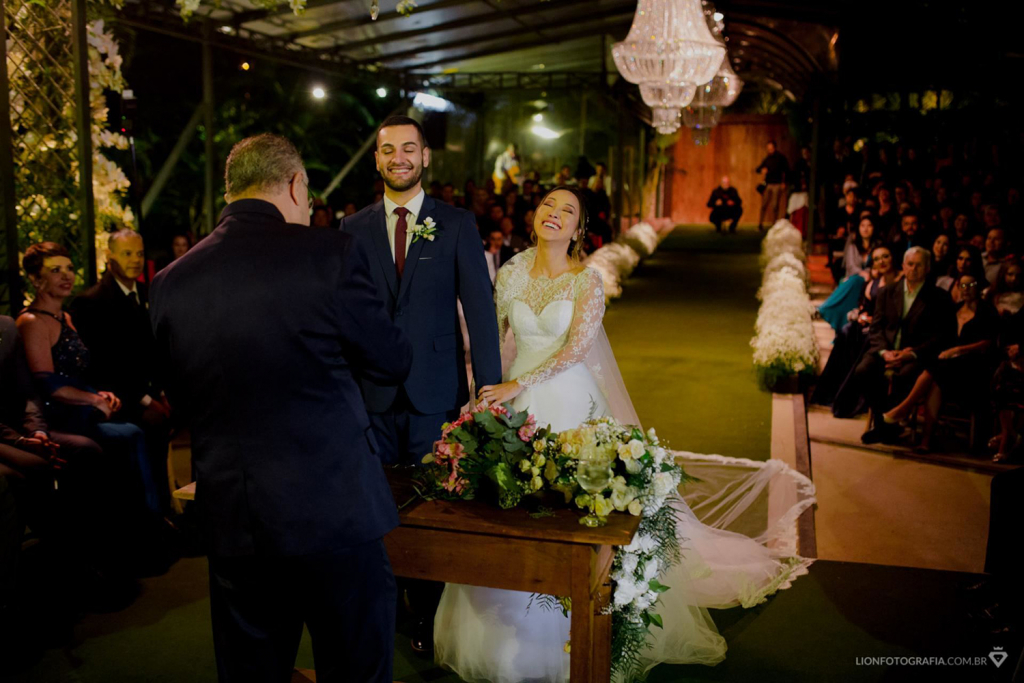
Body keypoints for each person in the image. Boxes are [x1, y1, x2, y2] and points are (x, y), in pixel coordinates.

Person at [436, 187, 810, 682]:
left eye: (567, 211)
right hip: (512, 400)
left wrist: (518, 383)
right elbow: (499, 338)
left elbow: (575, 350)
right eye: (549, 205)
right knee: (507, 504)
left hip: (566, 399)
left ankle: (568, 629)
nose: (554, 214)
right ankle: (500, 632)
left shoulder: (586, 281)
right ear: (535, 216)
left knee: (571, 510)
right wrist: (483, 397)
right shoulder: (508, 272)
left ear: (578, 230)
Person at [150, 133, 412, 683]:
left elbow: (179, 393)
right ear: (295, 185)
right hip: (333, 509)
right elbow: (391, 360)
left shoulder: (171, 282)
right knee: (356, 668)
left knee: (252, 672)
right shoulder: (329, 252)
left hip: (236, 518)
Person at [339, 116, 502, 653]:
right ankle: (386, 603)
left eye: (409, 148)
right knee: (376, 508)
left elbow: (479, 310)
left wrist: (489, 391)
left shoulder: (455, 223)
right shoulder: (352, 229)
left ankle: (430, 617)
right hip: (372, 396)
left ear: (426, 157)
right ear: (377, 160)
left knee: (436, 507)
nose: (399, 158)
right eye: (389, 150)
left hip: (437, 392)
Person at [16, 242, 162, 517]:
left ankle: (147, 522)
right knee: (129, 435)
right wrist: (93, 399)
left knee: (137, 429)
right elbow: (47, 383)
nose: (66, 275)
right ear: (36, 279)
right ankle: (138, 523)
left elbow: (80, 372)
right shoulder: (33, 321)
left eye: (69, 268)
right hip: (54, 415)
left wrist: (101, 394)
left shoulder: (66, 317)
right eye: (55, 270)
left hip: (79, 408)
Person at [69, 229, 172, 514]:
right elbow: (102, 365)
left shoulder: (146, 293)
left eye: (139, 253)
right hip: (116, 398)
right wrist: (146, 400)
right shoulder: (91, 302)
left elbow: (153, 352)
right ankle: (148, 518)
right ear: (109, 257)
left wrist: (161, 392)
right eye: (127, 253)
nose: (135, 260)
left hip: (145, 391)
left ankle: (164, 515)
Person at [882, 273, 999, 451]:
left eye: (971, 285)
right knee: (935, 380)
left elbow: (989, 342)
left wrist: (959, 349)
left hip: (975, 365)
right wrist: (912, 349)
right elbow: (941, 337)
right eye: (962, 286)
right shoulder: (954, 309)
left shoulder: (987, 310)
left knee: (935, 369)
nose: (966, 290)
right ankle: (926, 441)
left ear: (978, 287)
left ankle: (905, 407)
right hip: (949, 366)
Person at [856, 247, 956, 445]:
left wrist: (912, 354)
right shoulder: (887, 292)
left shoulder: (938, 297)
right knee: (863, 371)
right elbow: (876, 329)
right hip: (885, 350)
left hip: (915, 353)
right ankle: (883, 423)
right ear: (903, 266)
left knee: (904, 376)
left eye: (919, 265)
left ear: (927, 268)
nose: (914, 269)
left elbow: (942, 336)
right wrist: (884, 353)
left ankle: (888, 425)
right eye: (910, 264)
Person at [818, 214, 878, 333]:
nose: (865, 229)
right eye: (862, 226)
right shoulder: (853, 246)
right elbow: (851, 266)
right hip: (855, 277)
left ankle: (826, 308)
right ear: (859, 228)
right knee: (855, 281)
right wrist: (863, 273)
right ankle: (827, 309)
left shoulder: (878, 246)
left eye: (869, 226)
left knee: (858, 282)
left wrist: (869, 274)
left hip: (873, 279)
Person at [755, 140, 789, 230]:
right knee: (764, 205)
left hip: (777, 184)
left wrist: (784, 182)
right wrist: (762, 170)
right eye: (768, 148)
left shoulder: (781, 158)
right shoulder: (767, 159)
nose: (769, 150)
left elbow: (786, 170)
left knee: (775, 206)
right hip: (768, 184)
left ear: (774, 148)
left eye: (771, 148)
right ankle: (760, 224)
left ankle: (774, 224)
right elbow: (758, 169)